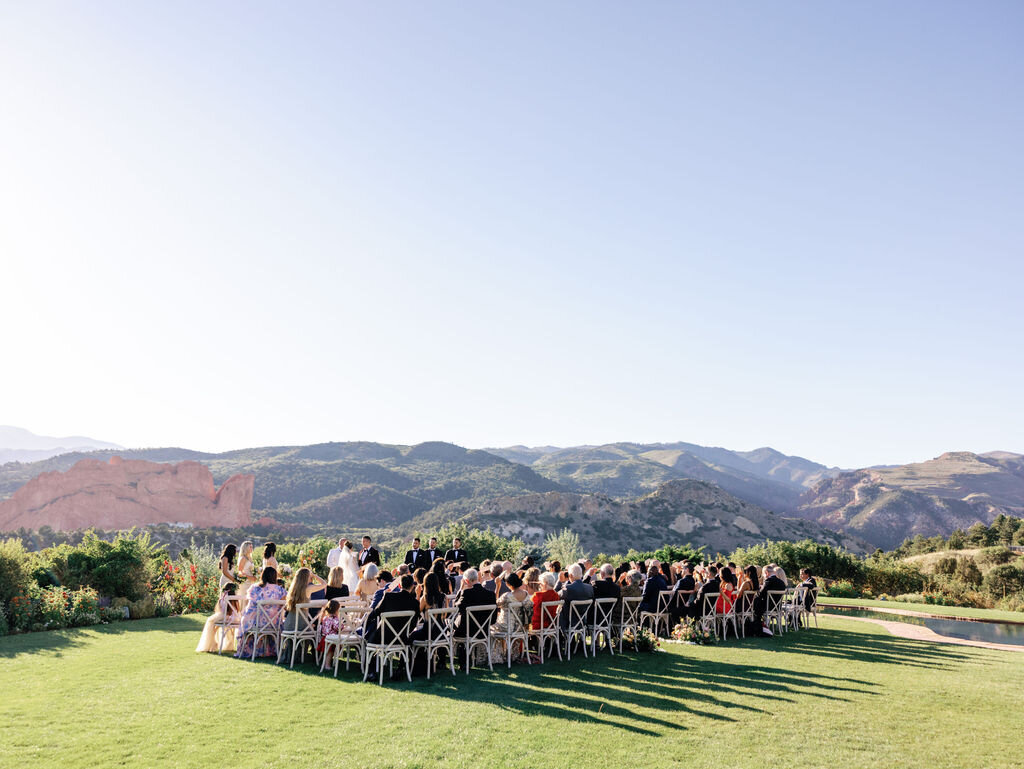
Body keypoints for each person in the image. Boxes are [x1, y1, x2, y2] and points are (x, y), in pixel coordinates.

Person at [235, 567, 286, 658]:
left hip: (256, 622)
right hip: (274, 624)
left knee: (247, 616)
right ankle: (269, 651)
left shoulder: (255, 588)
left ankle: (251, 650)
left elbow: (251, 605)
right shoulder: (281, 590)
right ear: (274, 577)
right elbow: (285, 606)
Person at [363, 575, 420, 646]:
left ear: (399, 585)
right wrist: (403, 633)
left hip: (382, 637)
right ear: (412, 586)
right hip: (402, 639)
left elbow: (376, 612)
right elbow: (414, 623)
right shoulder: (415, 603)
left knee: (370, 639)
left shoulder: (388, 596)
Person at [452, 568, 496, 635]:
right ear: (477, 578)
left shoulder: (466, 593)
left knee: (448, 622)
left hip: (466, 632)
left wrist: (460, 590)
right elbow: (493, 619)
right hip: (483, 632)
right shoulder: (491, 594)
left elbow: (456, 609)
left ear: (466, 581)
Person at [282, 567, 328, 632]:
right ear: (307, 577)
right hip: (300, 627)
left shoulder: (293, 590)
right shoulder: (308, 588)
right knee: (316, 630)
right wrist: (314, 575)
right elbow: (324, 584)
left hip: (288, 626)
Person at [196, 583, 238, 653]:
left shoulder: (224, 597)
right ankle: (219, 643)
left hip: (227, 616)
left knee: (210, 621)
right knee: (214, 623)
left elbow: (223, 610)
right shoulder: (234, 598)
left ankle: (210, 643)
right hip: (234, 617)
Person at [558, 563, 594, 632]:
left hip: (568, 622)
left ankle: (561, 641)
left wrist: (560, 581)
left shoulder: (567, 588)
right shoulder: (589, 588)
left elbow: (555, 596)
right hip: (582, 621)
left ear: (570, 575)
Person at [316, 599, 343, 668]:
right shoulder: (335, 619)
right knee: (330, 652)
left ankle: (323, 663)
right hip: (331, 639)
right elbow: (338, 627)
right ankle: (327, 665)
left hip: (324, 638)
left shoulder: (325, 617)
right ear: (337, 610)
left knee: (327, 652)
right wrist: (343, 625)